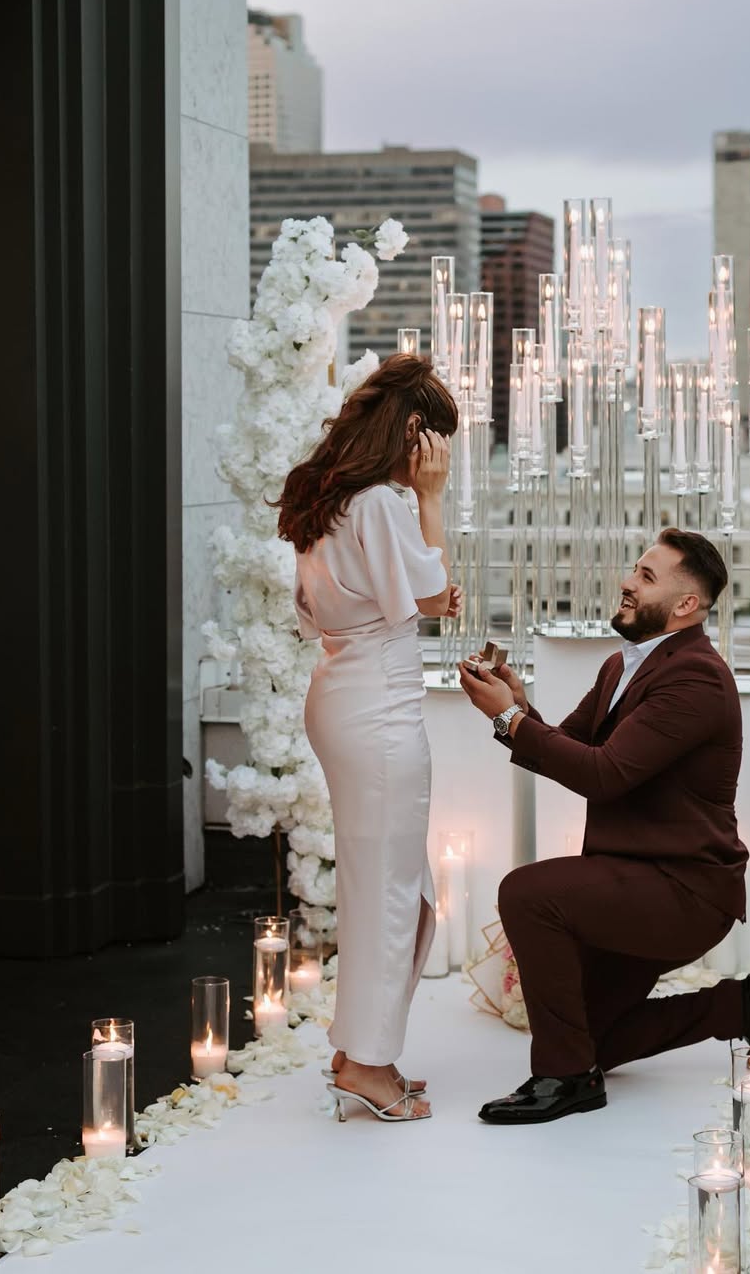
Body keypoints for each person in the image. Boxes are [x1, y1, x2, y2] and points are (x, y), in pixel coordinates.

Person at [458, 529, 750, 1124]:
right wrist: (518, 703)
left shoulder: (697, 679)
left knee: (526, 893)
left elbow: (603, 776)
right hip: (631, 879)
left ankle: (565, 1079)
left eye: (646, 576)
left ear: (686, 605)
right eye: (634, 569)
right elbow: (574, 748)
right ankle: (739, 1008)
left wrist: (508, 720)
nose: (627, 582)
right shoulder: (621, 666)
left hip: (682, 891)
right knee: (596, 1039)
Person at [275, 353, 460, 1123]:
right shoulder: (383, 503)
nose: (441, 456)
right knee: (394, 891)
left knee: (386, 884)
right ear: (413, 433)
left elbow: (319, 612)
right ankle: (371, 1065)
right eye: (437, 440)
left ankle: (357, 1050)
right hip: (379, 710)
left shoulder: (330, 501)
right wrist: (432, 500)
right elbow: (435, 597)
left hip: (341, 694)